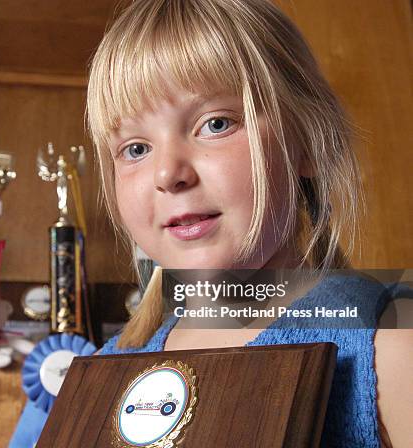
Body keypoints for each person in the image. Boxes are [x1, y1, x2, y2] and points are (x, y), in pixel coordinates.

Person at [87, 0, 412, 446]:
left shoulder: (392, 346)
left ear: (308, 143)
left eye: (215, 124)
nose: (167, 174)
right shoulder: (101, 376)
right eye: (136, 149)